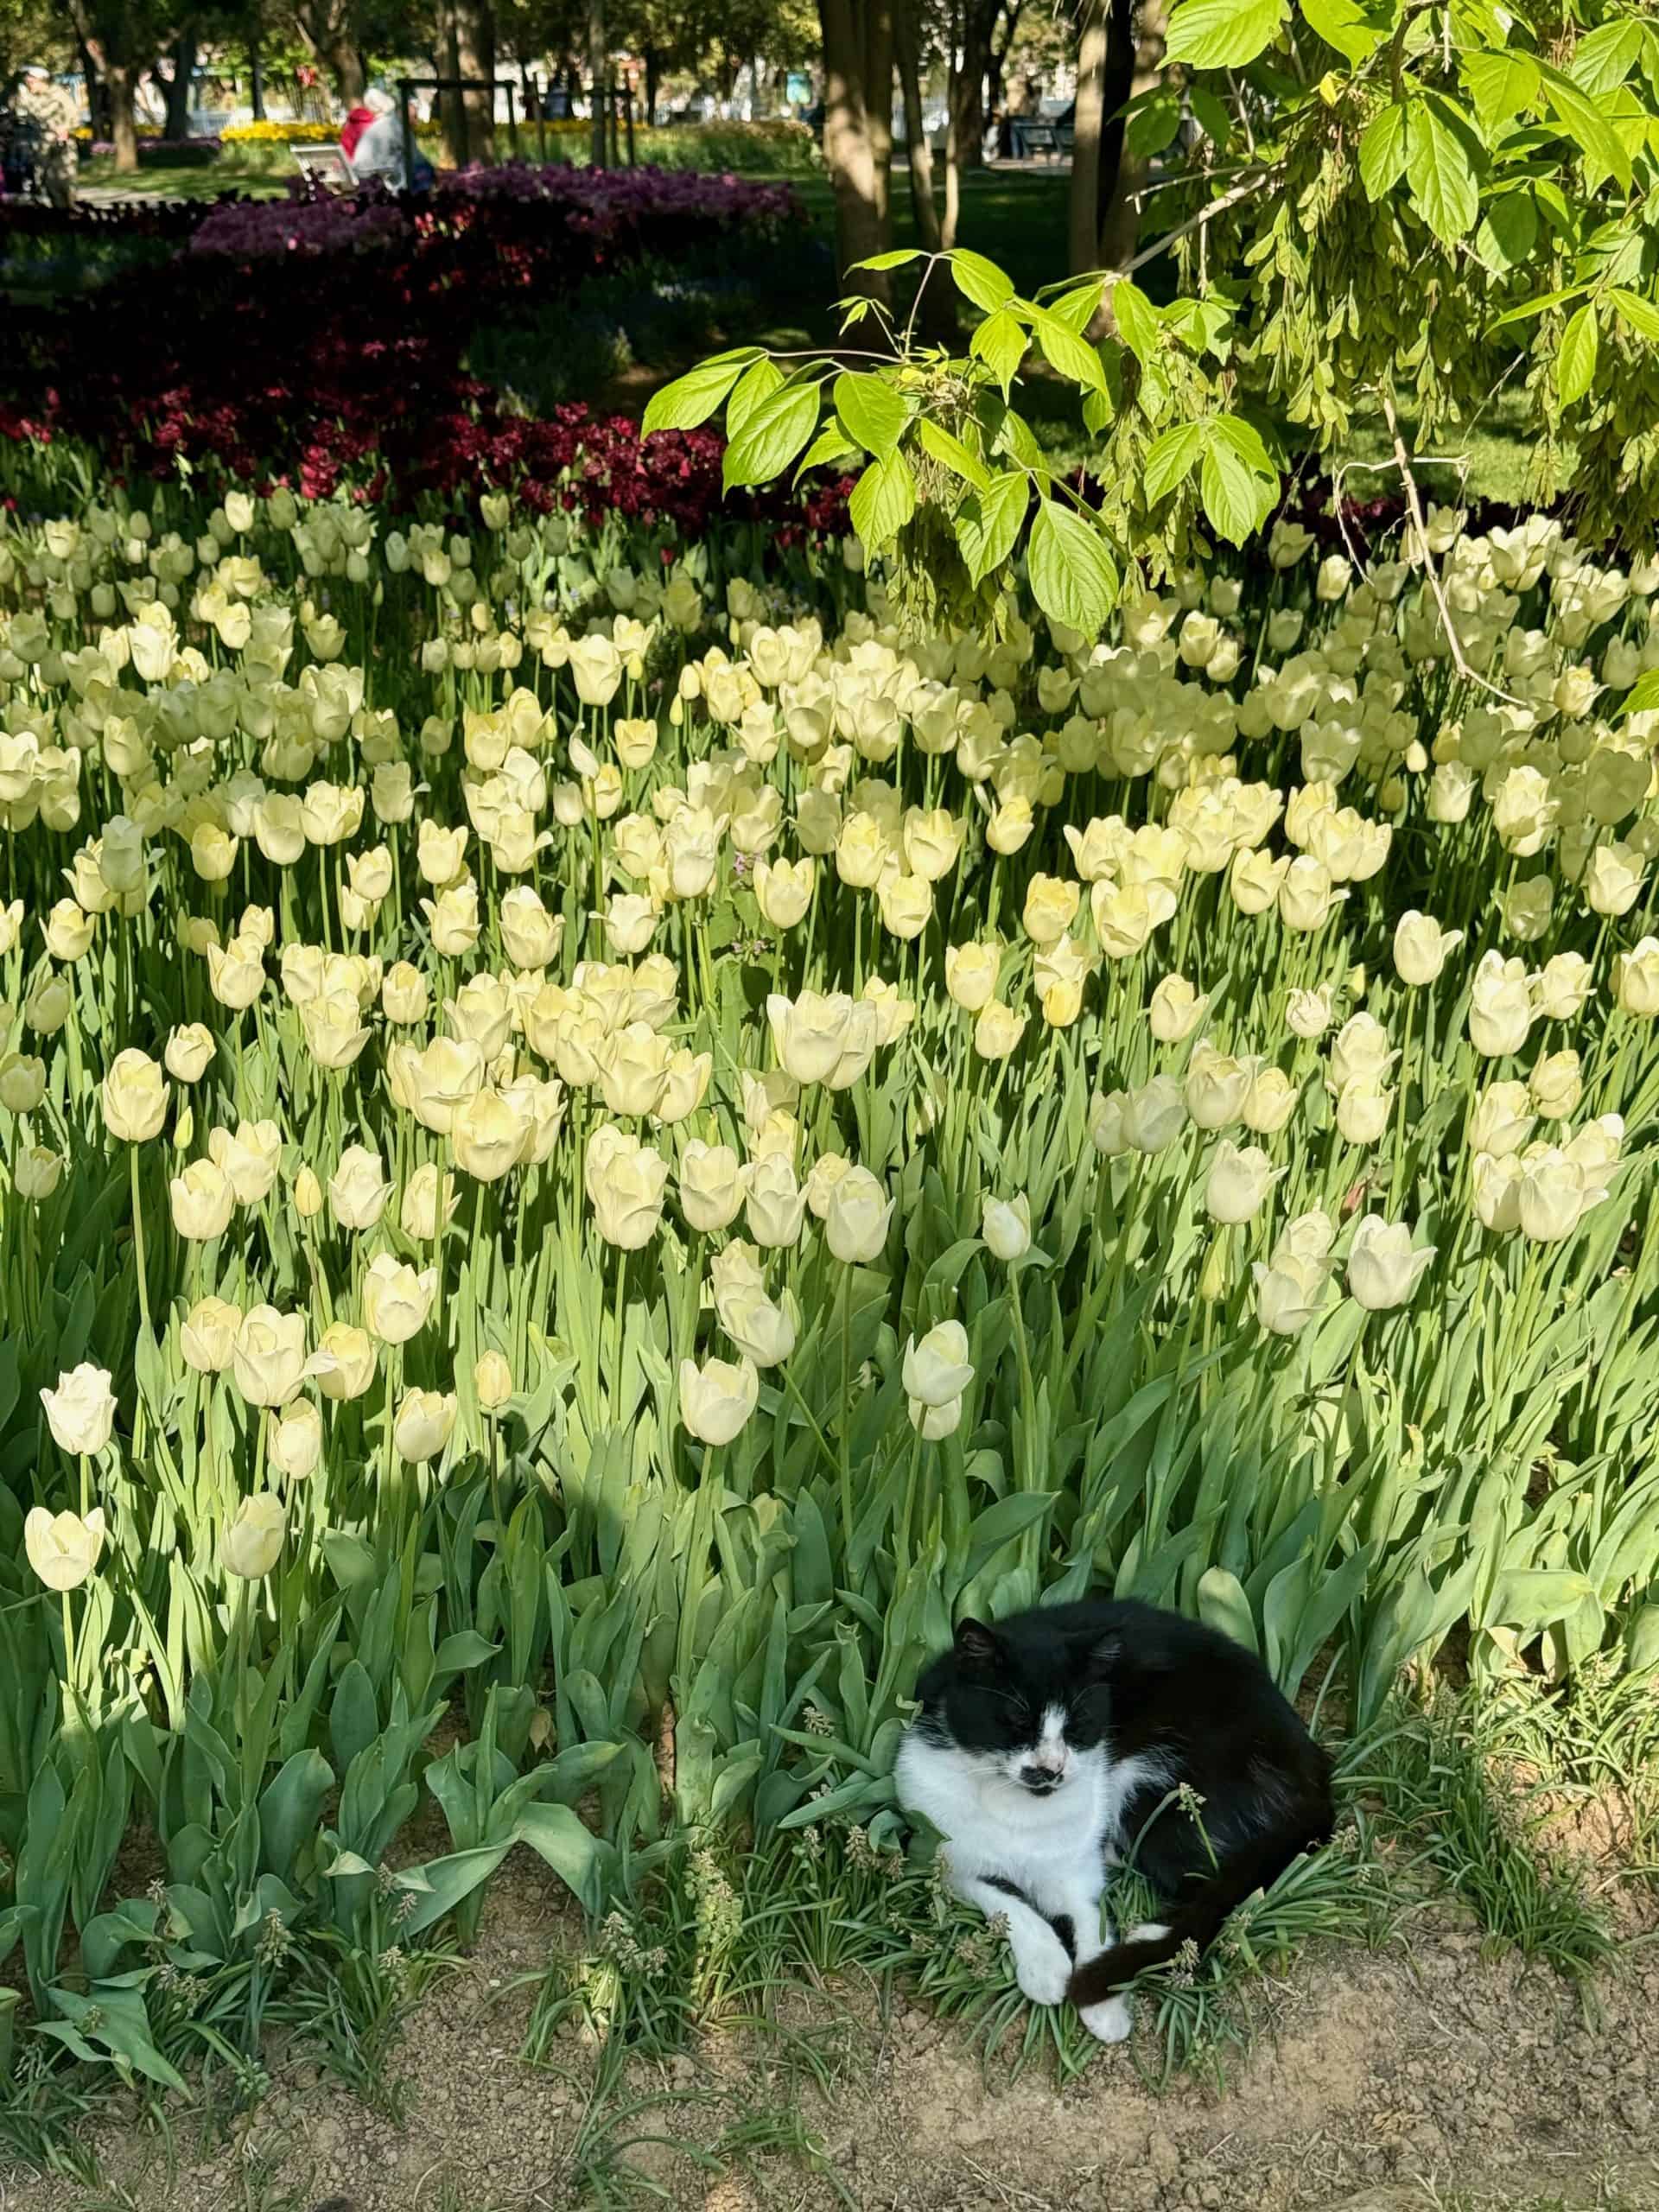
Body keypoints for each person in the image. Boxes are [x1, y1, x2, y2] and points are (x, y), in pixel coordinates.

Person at [16, 64, 77, 207]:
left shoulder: (58, 93)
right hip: (42, 145)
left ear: (42, 80)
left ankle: (71, 212)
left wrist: (65, 128)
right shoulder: (28, 97)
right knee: (48, 183)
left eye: (31, 81)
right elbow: (21, 115)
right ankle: (59, 213)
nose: (28, 84)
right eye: (27, 81)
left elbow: (74, 115)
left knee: (65, 182)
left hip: (62, 145)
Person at [350, 85, 434, 191]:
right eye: (416, 107)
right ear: (407, 106)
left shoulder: (386, 123)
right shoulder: (396, 127)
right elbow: (416, 158)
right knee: (424, 171)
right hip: (381, 182)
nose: (417, 112)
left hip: (364, 178)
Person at [340, 95, 377, 162]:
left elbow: (345, 148)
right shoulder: (374, 123)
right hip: (374, 163)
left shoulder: (349, 127)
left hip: (354, 164)